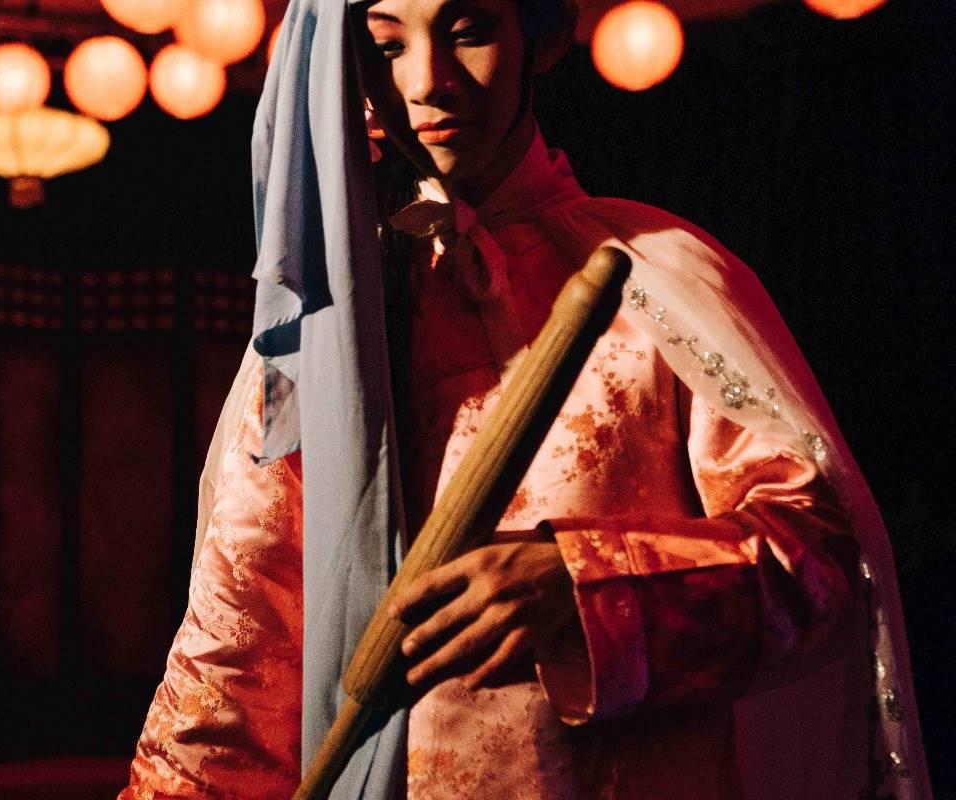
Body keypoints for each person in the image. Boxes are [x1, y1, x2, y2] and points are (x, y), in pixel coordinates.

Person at [119, 0, 930, 797]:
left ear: (541, 37)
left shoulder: (657, 277)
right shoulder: (328, 331)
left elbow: (823, 561)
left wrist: (582, 584)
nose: (428, 80)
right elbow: (240, 651)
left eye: (469, 31)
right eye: (384, 46)